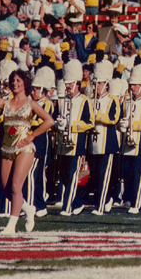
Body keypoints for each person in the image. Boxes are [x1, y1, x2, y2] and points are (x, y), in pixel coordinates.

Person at [0, 69, 54, 234]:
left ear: (25, 83)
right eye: (13, 81)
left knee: (16, 185)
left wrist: (31, 137)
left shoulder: (31, 103)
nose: (15, 83)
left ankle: (11, 225)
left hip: (24, 149)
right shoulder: (6, 103)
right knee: (7, 189)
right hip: (6, 148)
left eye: (18, 80)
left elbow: (49, 121)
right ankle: (28, 209)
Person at [55, 59, 94, 216]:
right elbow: (54, 120)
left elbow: (90, 122)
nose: (68, 86)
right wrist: (58, 125)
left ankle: (67, 208)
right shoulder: (61, 100)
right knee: (64, 176)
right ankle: (77, 203)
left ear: (77, 83)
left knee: (72, 176)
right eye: (66, 83)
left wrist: (72, 125)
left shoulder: (84, 101)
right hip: (62, 144)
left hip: (76, 144)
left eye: (70, 83)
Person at [118, 64, 141, 214]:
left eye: (135, 85)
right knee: (127, 172)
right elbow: (120, 120)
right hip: (127, 144)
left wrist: (132, 125)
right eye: (131, 84)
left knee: (138, 173)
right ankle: (128, 198)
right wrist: (121, 125)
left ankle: (136, 200)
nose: (132, 87)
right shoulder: (126, 103)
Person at [88, 60, 121, 216]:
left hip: (107, 143)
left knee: (103, 175)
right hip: (93, 143)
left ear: (107, 84)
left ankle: (99, 206)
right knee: (94, 175)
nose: (97, 86)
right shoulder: (90, 99)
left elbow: (114, 118)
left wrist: (98, 116)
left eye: (100, 83)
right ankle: (106, 198)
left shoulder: (112, 99)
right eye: (96, 83)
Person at [27, 66, 57, 217]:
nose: (33, 92)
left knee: (35, 174)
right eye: (32, 89)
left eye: (36, 89)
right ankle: (37, 205)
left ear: (44, 90)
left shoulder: (48, 104)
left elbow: (39, 121)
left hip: (40, 142)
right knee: (32, 175)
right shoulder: (31, 102)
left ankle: (35, 204)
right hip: (32, 141)